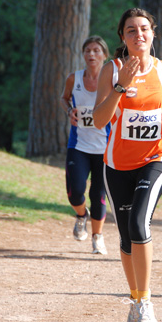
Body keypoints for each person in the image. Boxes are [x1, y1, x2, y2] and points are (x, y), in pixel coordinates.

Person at [93, 7, 162, 322]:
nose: (139, 35)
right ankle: (135, 301)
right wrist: (121, 86)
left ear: (153, 34)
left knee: (138, 222)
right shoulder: (112, 69)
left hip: (156, 158)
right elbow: (100, 120)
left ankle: (146, 302)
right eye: (132, 30)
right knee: (125, 238)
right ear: (123, 36)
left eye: (144, 29)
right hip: (117, 165)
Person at [61, 36, 110, 254]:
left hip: (105, 149)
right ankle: (81, 215)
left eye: (97, 50)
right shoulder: (74, 78)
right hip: (79, 145)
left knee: (98, 195)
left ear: (104, 56)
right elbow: (64, 99)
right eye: (88, 50)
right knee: (75, 192)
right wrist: (69, 111)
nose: (91, 54)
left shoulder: (111, 81)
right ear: (83, 55)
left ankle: (97, 237)